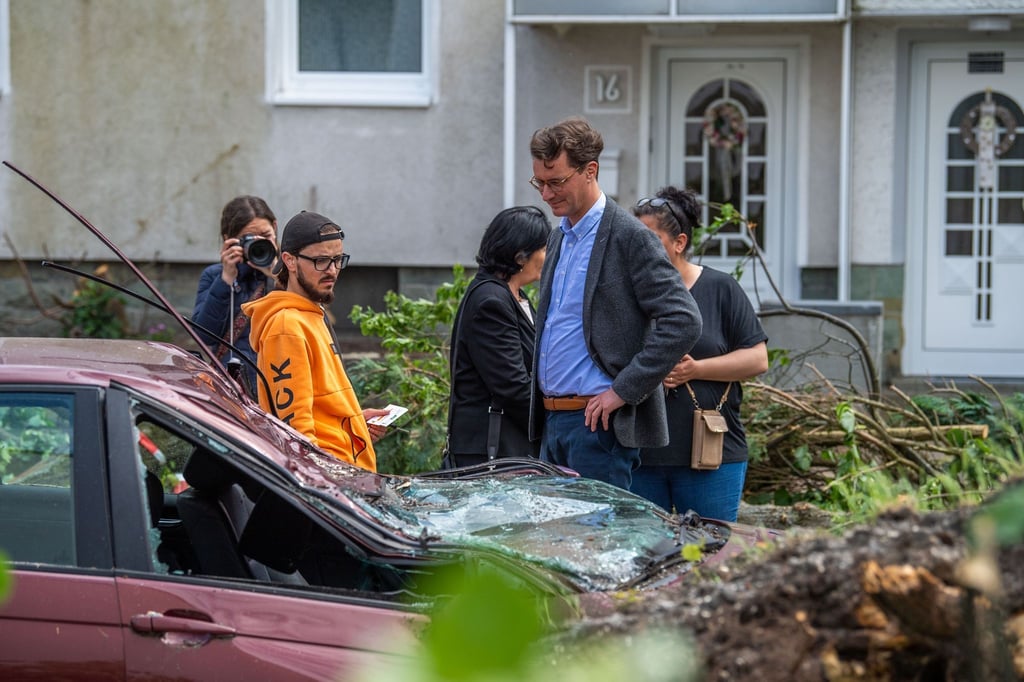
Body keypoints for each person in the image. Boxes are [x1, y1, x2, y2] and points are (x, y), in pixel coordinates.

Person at [527, 116, 702, 490]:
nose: (546, 194)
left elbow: (683, 319)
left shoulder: (631, 237)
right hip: (552, 424)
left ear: (590, 170)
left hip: (598, 427)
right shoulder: (558, 238)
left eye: (556, 182)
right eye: (539, 183)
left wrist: (622, 391)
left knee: (597, 529)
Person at [631, 186, 769, 521]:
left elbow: (757, 359)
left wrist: (696, 369)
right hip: (639, 454)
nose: (638, 248)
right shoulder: (628, 293)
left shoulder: (720, 288)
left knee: (709, 547)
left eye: (650, 239)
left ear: (679, 242)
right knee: (643, 549)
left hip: (709, 454)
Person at [242, 211, 387, 472]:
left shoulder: (310, 315)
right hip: (330, 483)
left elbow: (319, 408)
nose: (332, 270)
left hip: (345, 476)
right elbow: (295, 435)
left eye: (337, 260)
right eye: (320, 261)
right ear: (290, 261)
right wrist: (328, 487)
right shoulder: (286, 327)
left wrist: (354, 421)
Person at [446, 206, 551, 468]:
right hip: (491, 452)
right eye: (543, 248)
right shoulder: (491, 300)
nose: (548, 256)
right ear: (520, 257)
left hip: (509, 446)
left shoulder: (514, 296)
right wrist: (557, 419)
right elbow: (512, 385)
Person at [193, 195, 278, 395]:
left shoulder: (290, 272)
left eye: (265, 235)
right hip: (232, 387)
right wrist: (226, 280)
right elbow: (203, 335)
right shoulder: (214, 276)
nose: (259, 244)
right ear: (228, 239)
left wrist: (277, 276)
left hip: (277, 381)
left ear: (275, 227)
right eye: (248, 239)